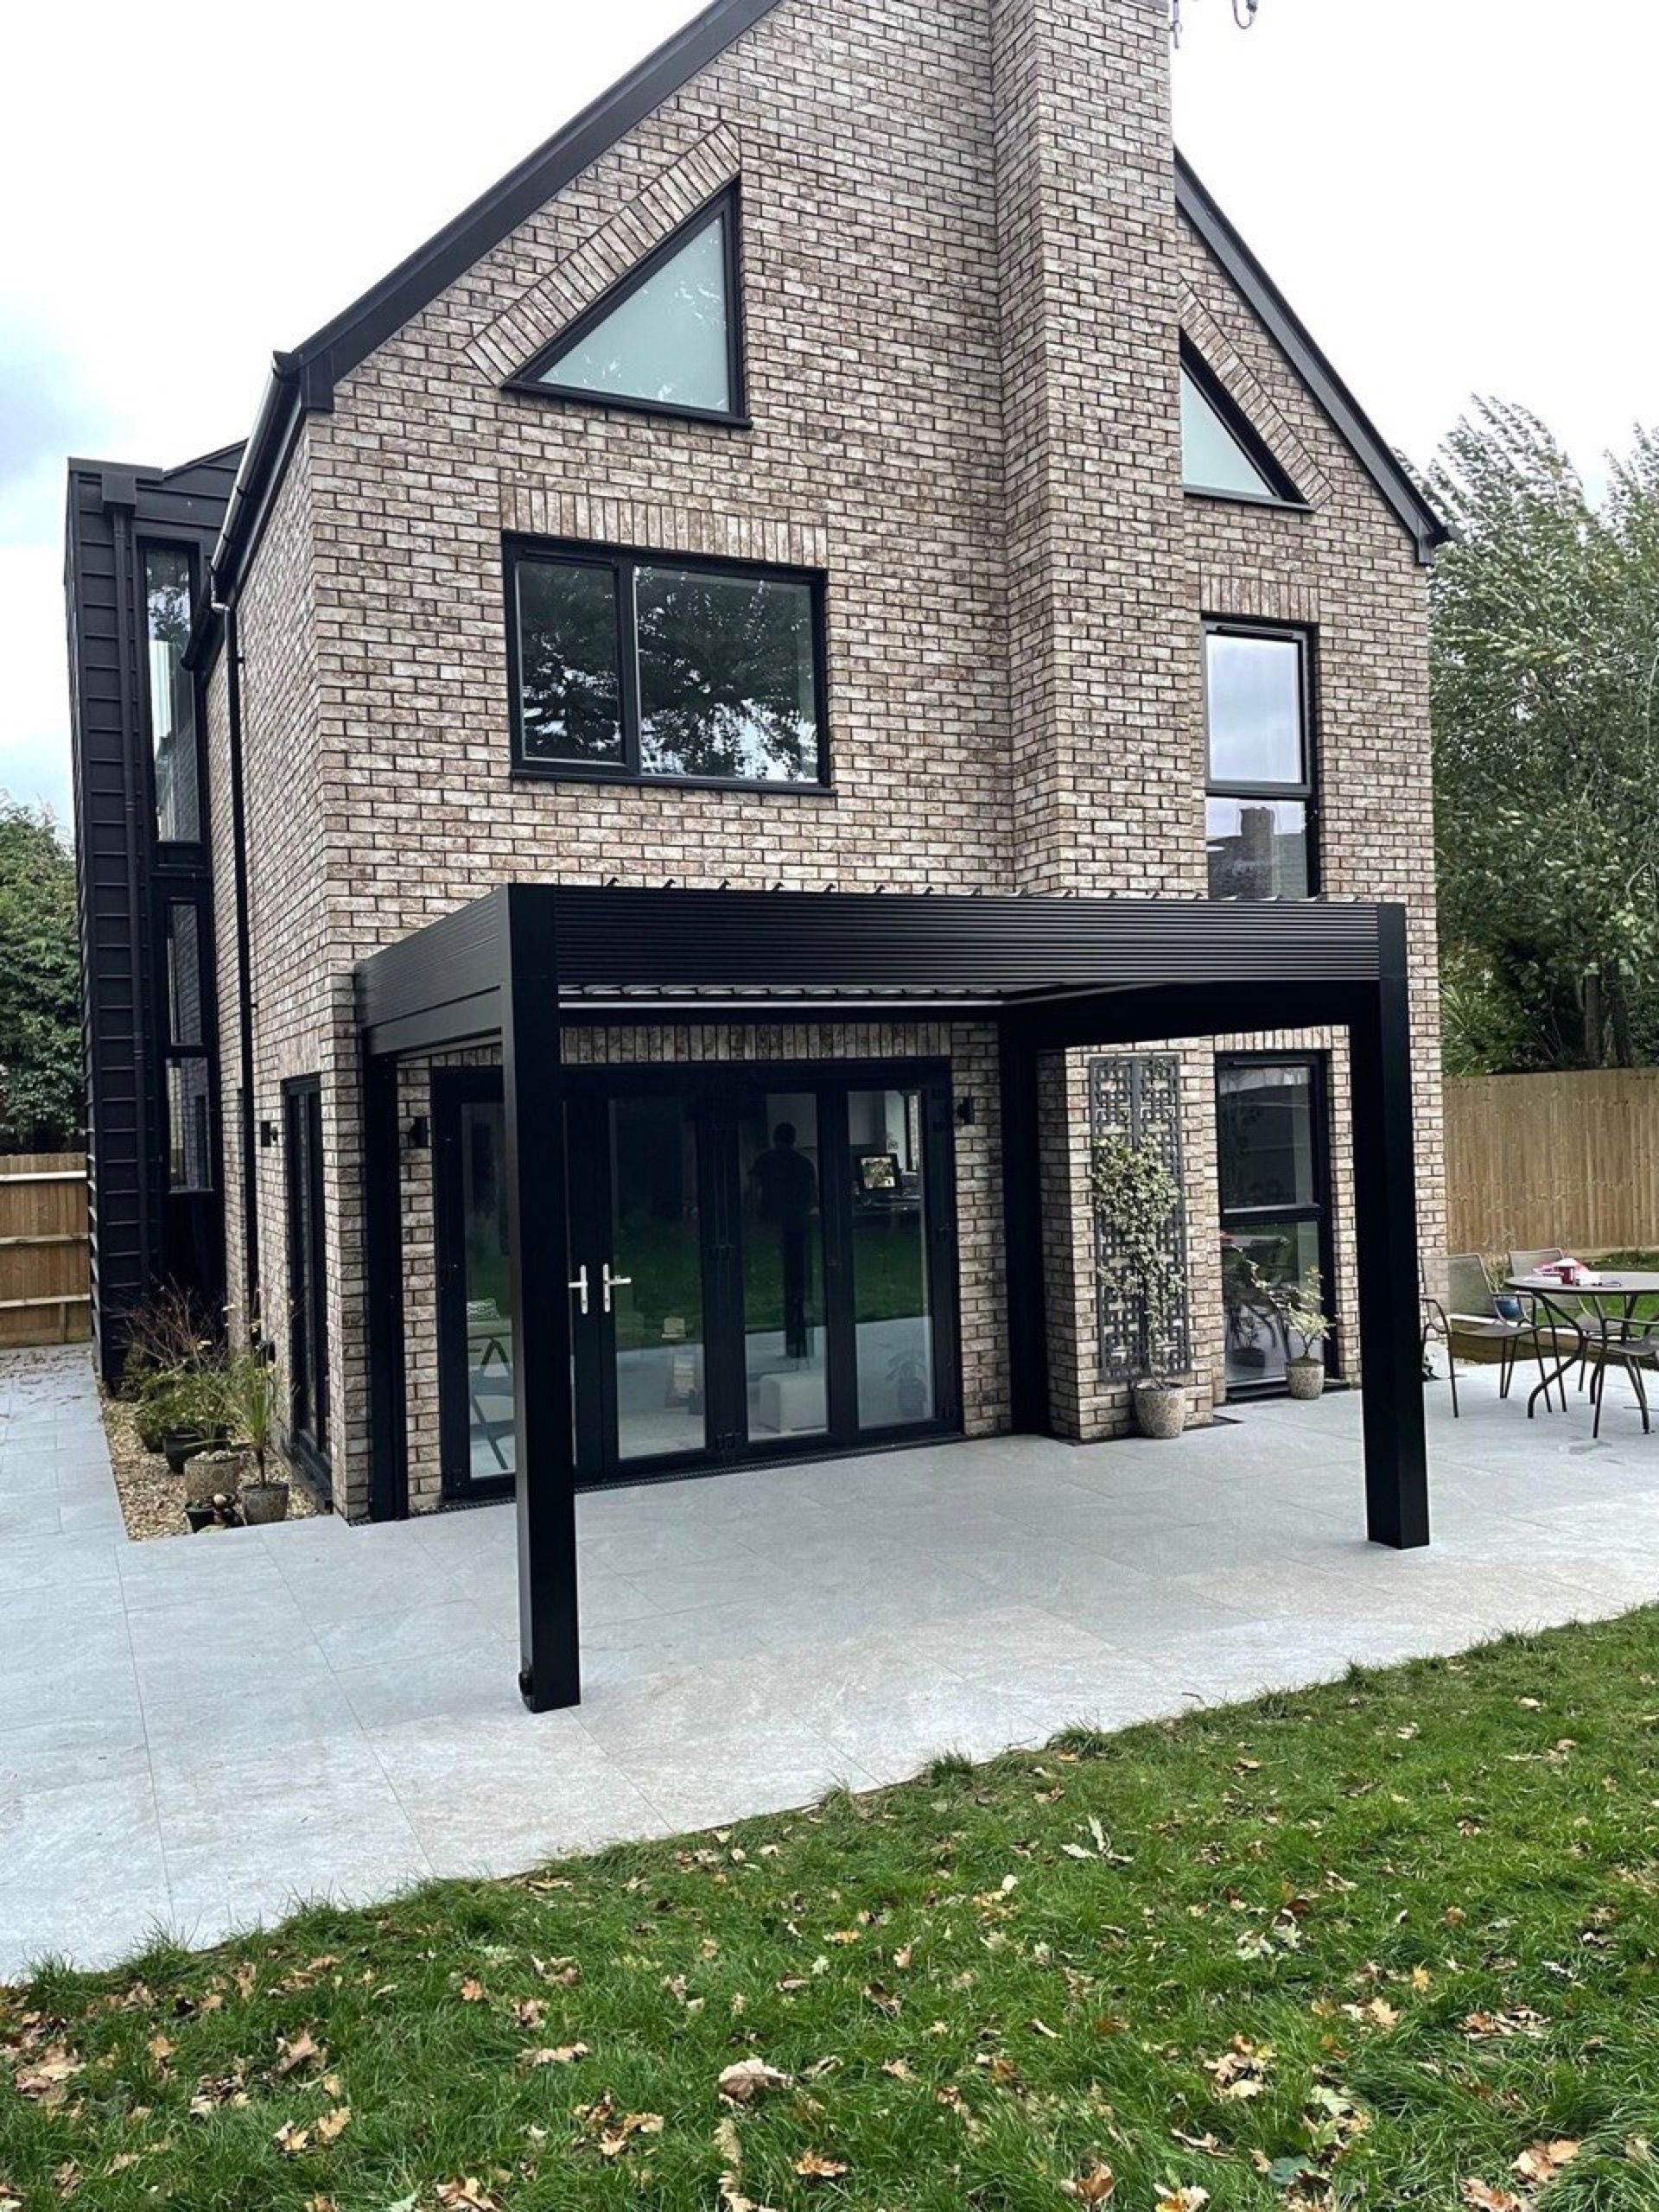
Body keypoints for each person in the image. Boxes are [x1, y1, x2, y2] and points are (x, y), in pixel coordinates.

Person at [749, 1122, 818, 1359]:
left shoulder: (765, 1161)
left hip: (772, 1219)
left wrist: (754, 1216)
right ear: (794, 1138)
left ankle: (794, 1324)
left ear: (774, 1137)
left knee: (780, 1269)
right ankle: (798, 1321)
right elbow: (812, 1194)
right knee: (797, 1273)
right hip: (796, 1222)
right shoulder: (803, 1163)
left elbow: (754, 1189)